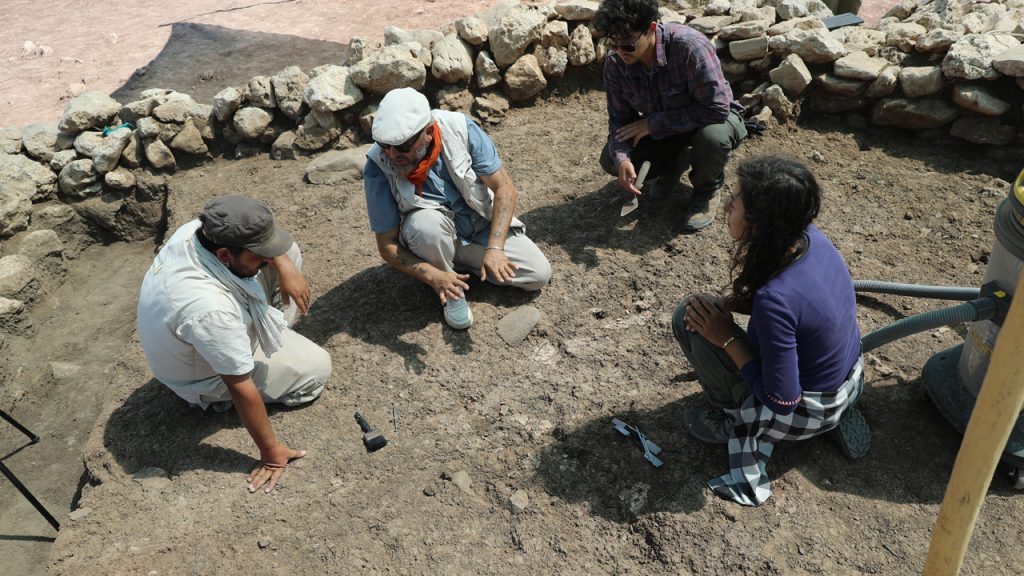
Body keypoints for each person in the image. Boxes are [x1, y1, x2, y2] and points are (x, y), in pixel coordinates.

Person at [671, 156, 867, 506]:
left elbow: (783, 400)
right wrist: (732, 305)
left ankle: (729, 420)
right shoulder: (810, 238)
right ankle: (837, 421)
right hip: (849, 381)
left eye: (736, 201)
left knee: (688, 316)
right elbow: (801, 316)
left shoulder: (776, 300)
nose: (728, 204)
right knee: (710, 313)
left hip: (808, 407)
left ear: (760, 225)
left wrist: (726, 337)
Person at [137, 195, 332, 494]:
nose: (267, 259)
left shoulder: (196, 232)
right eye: (259, 255)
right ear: (226, 254)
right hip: (203, 376)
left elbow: (272, 250)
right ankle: (212, 400)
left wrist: (284, 265)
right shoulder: (208, 309)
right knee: (317, 368)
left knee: (286, 250)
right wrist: (271, 455)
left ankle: (266, 333)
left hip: (209, 328)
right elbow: (238, 384)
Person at [363, 87, 551, 329]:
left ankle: (463, 265)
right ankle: (449, 288)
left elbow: (504, 188)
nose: (391, 154)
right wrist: (434, 275)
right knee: (424, 225)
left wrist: (495, 248)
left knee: (538, 274)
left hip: (480, 227)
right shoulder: (377, 164)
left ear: (428, 133)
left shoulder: (461, 129)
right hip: (433, 239)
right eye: (384, 145)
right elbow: (387, 244)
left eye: (402, 146)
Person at [594, 0, 748, 231]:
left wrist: (653, 123)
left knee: (713, 138)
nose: (619, 52)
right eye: (612, 43)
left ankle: (706, 191)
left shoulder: (689, 47)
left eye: (627, 46)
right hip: (666, 128)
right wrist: (622, 158)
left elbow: (716, 108)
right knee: (610, 158)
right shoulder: (616, 63)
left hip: (712, 119)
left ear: (652, 29)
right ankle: (674, 164)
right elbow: (619, 119)